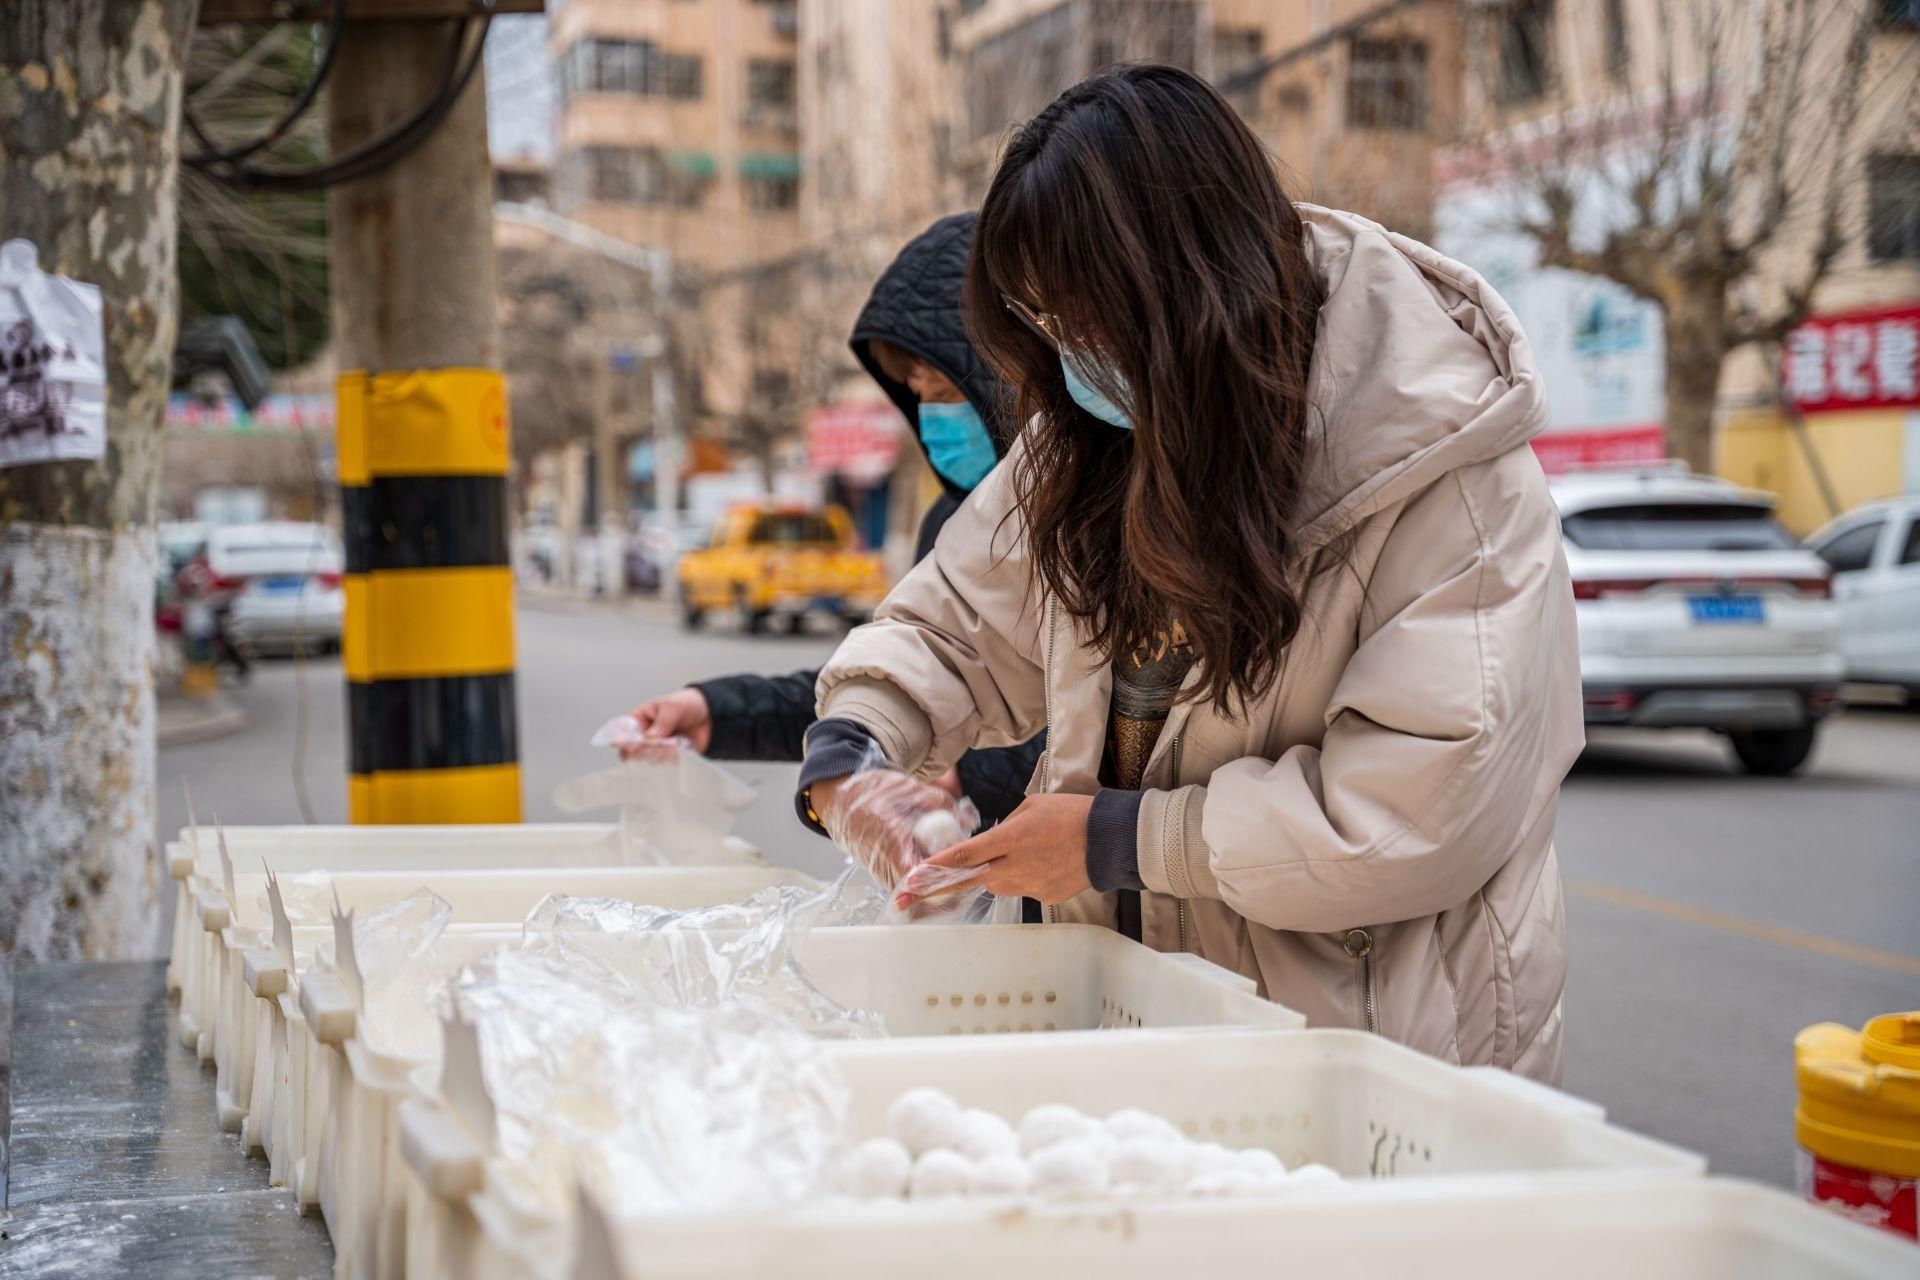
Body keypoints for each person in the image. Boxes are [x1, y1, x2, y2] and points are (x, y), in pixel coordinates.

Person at [797, 66, 1581, 1082]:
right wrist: (856, 750)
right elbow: (953, 620)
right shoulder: (1096, 431)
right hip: (1138, 1023)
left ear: (1186, 284)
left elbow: (1420, 807)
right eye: (1042, 320)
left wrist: (1122, 839)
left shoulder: (1441, 476)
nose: (1070, 353)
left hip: (1373, 1059)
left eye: (1084, 315)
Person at [622, 213, 1044, 827]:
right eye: (915, 394)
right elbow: (904, 680)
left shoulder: (1090, 519)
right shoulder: (954, 524)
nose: (930, 417)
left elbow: (1117, 732)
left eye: (946, 391)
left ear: (1008, 376)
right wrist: (717, 711)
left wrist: (968, 776)